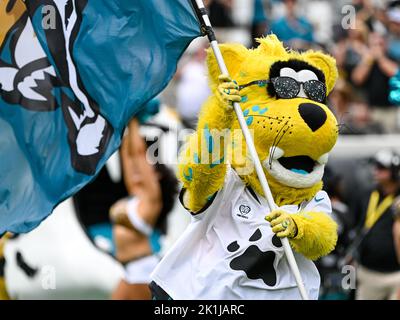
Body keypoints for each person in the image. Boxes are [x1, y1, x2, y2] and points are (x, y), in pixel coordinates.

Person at [110, 118, 178, 300]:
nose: (137, 170)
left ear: (157, 175)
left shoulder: (152, 199)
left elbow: (139, 154)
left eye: (146, 168)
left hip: (142, 271)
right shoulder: (135, 194)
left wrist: (134, 122)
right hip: (131, 270)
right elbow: (128, 156)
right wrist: (126, 118)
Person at [354, 149, 400, 300]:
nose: (376, 171)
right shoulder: (367, 194)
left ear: (394, 171)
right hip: (369, 272)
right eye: (376, 167)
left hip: (396, 274)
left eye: (381, 168)